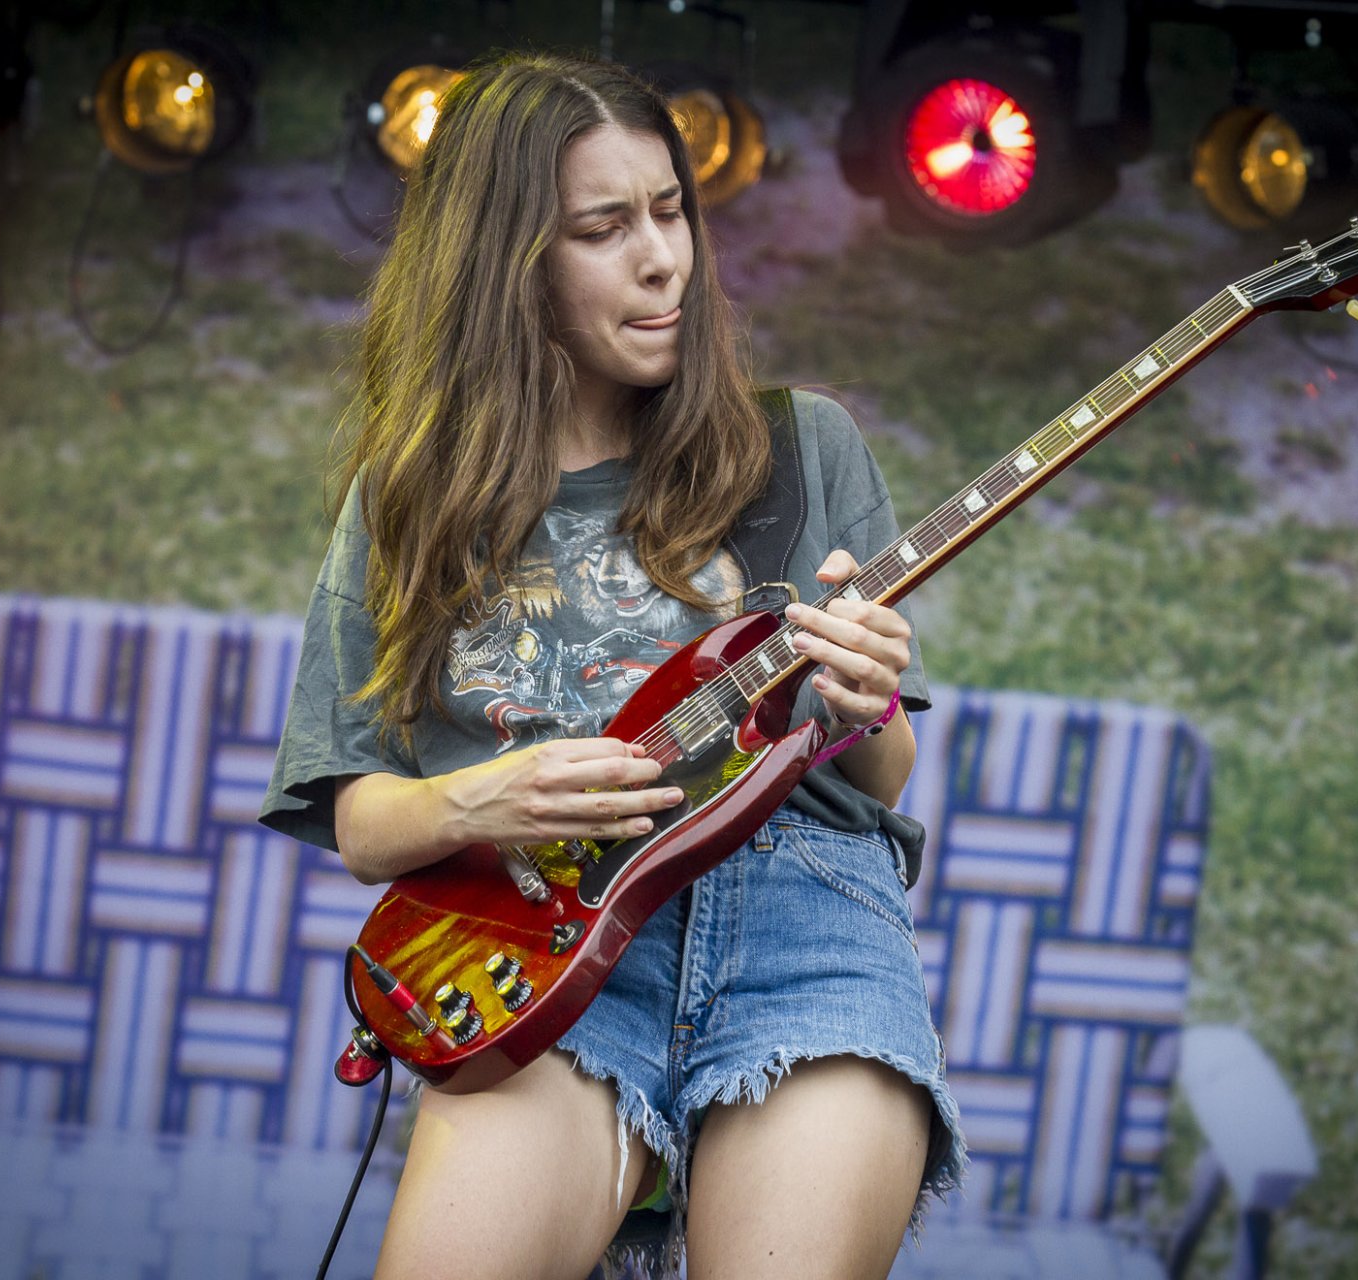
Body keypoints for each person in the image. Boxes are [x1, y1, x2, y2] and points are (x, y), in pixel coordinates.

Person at [261, 51, 964, 1280]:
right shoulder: (408, 501)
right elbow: (359, 816)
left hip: (803, 918)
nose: (663, 259)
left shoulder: (801, 446)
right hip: (550, 943)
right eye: (603, 228)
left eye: (670, 211)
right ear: (507, 264)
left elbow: (882, 775)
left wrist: (865, 701)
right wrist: (478, 797)